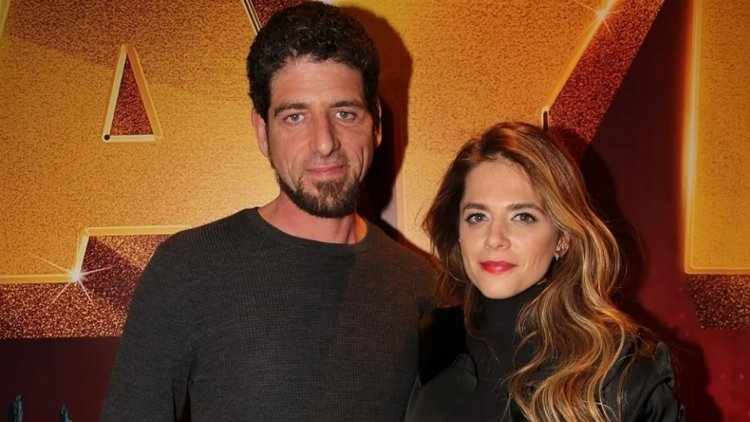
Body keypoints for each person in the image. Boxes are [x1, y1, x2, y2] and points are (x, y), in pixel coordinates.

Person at [100, 3, 433, 421]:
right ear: (262, 131)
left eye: (344, 113)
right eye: (295, 116)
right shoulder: (188, 270)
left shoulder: (418, 284)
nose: (324, 142)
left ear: (376, 124)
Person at [405, 122, 684, 422]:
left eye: (523, 217)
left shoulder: (621, 369)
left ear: (562, 238)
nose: (495, 238)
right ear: (458, 233)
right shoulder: (432, 342)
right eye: (477, 217)